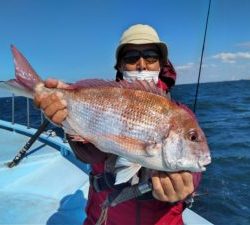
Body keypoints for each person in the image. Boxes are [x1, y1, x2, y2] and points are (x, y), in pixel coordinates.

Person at [34, 24, 201, 225]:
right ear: (120, 66)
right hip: (103, 219)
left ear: (161, 65)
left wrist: (189, 181)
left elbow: (195, 163)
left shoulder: (181, 114)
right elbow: (90, 154)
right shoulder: (103, 99)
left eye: (151, 56)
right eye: (131, 57)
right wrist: (65, 117)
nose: (142, 64)